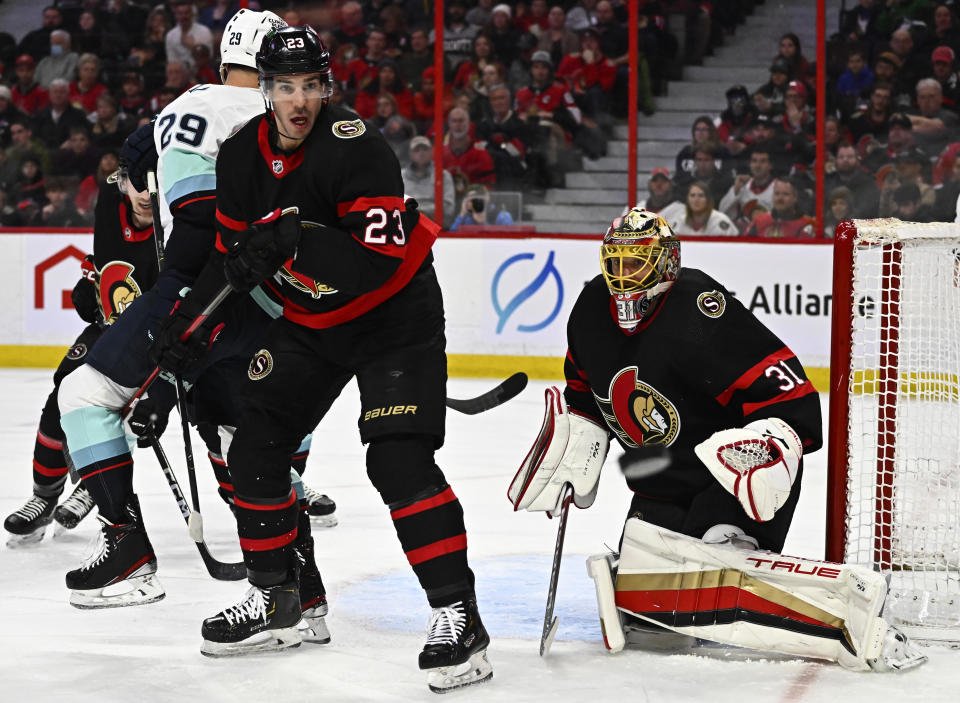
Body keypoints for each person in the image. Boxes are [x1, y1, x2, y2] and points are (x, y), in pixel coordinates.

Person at [150, 25, 492, 693]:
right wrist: (192, 328)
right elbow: (235, 261)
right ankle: (285, 599)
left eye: (310, 86)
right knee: (254, 446)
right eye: (284, 87)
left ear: (326, 88)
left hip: (395, 314)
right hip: (313, 319)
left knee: (396, 458)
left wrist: (296, 240)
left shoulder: (357, 147)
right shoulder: (239, 158)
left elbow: (377, 261)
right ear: (265, 92)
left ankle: (459, 617)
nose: (298, 101)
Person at [507, 207, 925, 673]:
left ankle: (847, 614)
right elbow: (584, 395)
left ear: (665, 262)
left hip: (728, 478)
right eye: (616, 262)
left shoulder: (698, 308)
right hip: (659, 482)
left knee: (715, 577)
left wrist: (771, 444)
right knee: (648, 609)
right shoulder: (588, 311)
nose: (623, 277)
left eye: (636, 262)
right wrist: (573, 449)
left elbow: (792, 395)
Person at [56, 10, 335, 617]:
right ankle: (301, 590)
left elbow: (138, 171)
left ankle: (128, 554)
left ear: (224, 61)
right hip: (274, 301)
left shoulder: (189, 105)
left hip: (195, 291)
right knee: (250, 444)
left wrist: (139, 189)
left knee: (84, 393)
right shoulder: (305, 120)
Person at [4, 125, 159, 548]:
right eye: (137, 182)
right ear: (122, 180)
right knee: (59, 398)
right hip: (114, 329)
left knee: (126, 410)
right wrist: (93, 286)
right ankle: (44, 498)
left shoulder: (185, 218)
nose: (146, 194)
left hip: (167, 340)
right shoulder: (110, 199)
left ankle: (94, 482)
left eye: (156, 183)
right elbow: (109, 263)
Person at [402, 135, 456, 227]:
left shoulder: (443, 175)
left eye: (425, 149)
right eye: (417, 150)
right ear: (410, 154)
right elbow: (394, 205)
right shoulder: (400, 176)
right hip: (406, 228)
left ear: (432, 152)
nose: (421, 153)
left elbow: (448, 209)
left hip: (437, 229)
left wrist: (417, 212)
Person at [718, 146, 776, 229]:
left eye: (763, 161)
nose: (757, 165)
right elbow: (722, 213)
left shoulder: (778, 188)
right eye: (754, 161)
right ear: (750, 164)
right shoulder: (742, 185)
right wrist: (736, 189)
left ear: (770, 165)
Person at [659, 180, 737, 236]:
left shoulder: (720, 221)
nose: (696, 200)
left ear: (708, 199)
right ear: (688, 199)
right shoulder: (679, 222)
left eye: (701, 195)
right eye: (692, 195)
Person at [744, 178, 815, 238]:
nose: (780, 198)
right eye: (777, 194)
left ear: (795, 198)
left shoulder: (807, 224)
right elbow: (745, 246)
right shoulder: (759, 220)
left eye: (785, 194)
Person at [450, 182, 515, 230]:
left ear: (487, 197)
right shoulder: (467, 218)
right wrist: (462, 214)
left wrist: (483, 223)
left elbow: (508, 240)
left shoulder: (502, 216)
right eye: (469, 198)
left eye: (475, 197)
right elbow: (451, 238)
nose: (472, 202)